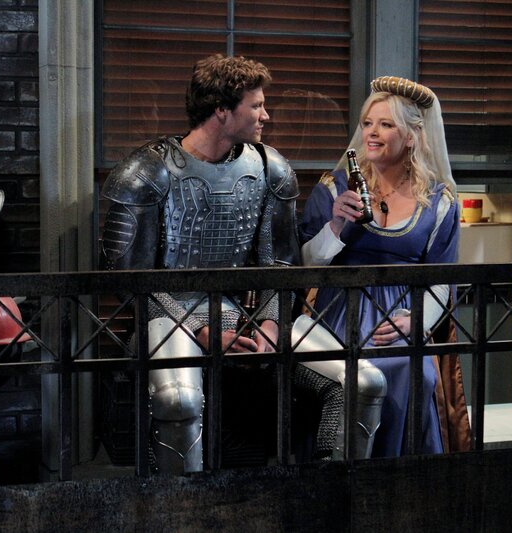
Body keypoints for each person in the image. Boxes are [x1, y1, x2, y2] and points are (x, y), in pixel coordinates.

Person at [100, 54, 301, 474]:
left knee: (361, 381)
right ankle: (180, 504)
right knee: (179, 400)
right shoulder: (147, 170)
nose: (266, 115)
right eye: (256, 105)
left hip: (240, 315)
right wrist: (200, 329)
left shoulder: (270, 168)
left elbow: (280, 266)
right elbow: (129, 280)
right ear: (222, 110)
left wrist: (270, 323)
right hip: (163, 315)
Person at [297, 76, 461, 457]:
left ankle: (397, 480)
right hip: (340, 314)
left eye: (386, 125)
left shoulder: (439, 202)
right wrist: (335, 225)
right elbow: (305, 264)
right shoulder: (335, 187)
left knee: (415, 373)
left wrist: (416, 321)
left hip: (398, 320)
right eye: (368, 123)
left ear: (411, 137)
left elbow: (442, 280)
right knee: (347, 377)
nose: (371, 133)